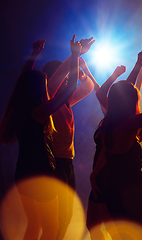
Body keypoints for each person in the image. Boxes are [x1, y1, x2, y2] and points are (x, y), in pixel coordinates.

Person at [0, 36, 81, 240]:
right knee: (51, 228)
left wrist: (34, 54)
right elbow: (70, 89)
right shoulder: (40, 112)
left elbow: (23, 78)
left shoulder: (20, 109)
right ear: (38, 89)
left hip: (23, 173)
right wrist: (75, 56)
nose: (48, 87)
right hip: (41, 175)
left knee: (34, 226)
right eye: (45, 84)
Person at [90, 44, 142, 240]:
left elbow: (105, 153)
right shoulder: (129, 124)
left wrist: (93, 176)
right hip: (129, 191)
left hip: (107, 184)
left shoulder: (109, 122)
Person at [86, 41, 142, 240]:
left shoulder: (125, 122)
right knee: (93, 225)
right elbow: (120, 92)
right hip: (100, 172)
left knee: (109, 230)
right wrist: (136, 66)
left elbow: (120, 92)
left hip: (106, 174)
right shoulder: (112, 116)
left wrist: (121, 73)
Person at [41, 36, 95, 240]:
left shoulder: (66, 102)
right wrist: (75, 56)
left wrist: (81, 69)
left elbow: (88, 87)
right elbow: (57, 79)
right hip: (52, 163)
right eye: (64, 79)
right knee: (54, 221)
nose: (66, 82)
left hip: (66, 162)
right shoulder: (47, 98)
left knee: (65, 217)